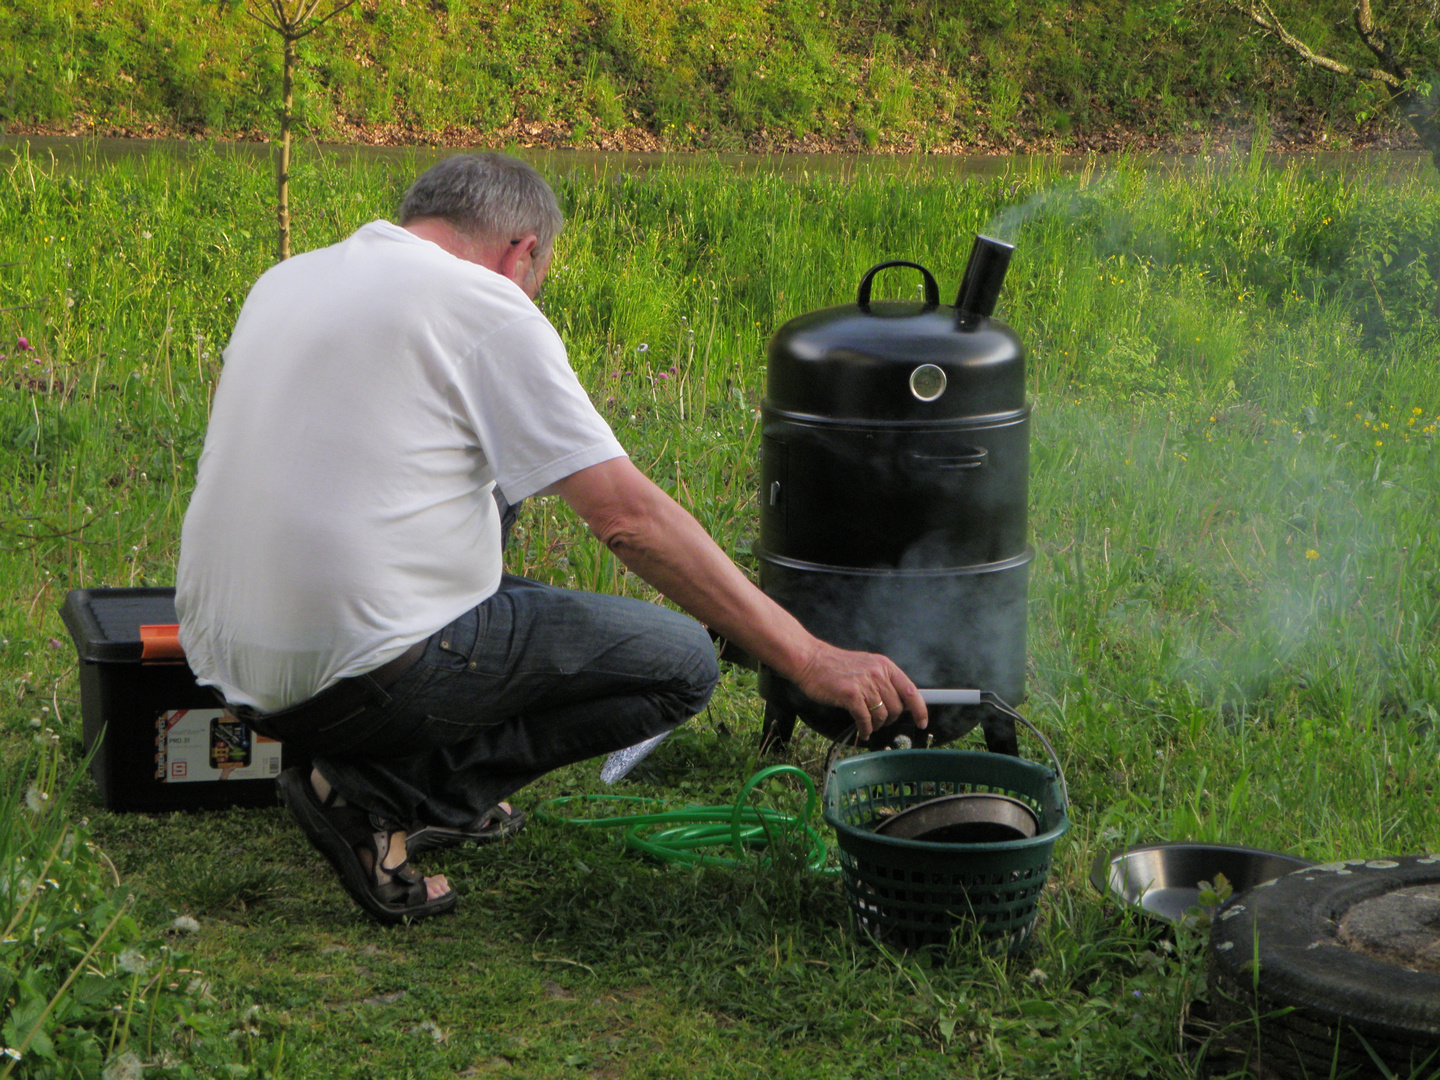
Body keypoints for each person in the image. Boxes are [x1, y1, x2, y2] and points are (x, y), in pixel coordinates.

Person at [175, 153, 927, 923]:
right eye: (538, 277)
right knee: (679, 663)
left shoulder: (292, 278)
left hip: (225, 665)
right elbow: (629, 520)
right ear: (521, 250)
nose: (533, 295)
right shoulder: (481, 303)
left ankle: (372, 761)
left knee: (501, 488)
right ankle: (383, 796)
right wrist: (807, 657)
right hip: (358, 672)